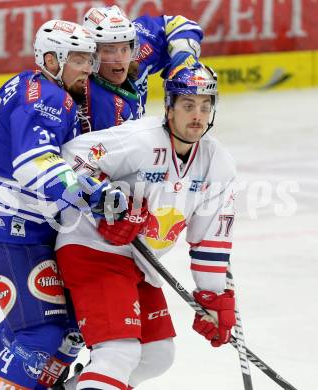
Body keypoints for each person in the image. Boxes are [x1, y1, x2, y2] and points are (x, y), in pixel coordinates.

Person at [0, 20, 126, 390]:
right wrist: (89, 193)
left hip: (14, 223)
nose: (88, 69)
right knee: (43, 334)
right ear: (51, 58)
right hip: (13, 230)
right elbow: (34, 164)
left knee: (68, 325)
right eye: (79, 60)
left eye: (89, 59)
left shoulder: (20, 82)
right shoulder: (53, 98)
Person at [55, 63, 237, 389]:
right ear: (169, 107)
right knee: (118, 353)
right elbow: (70, 157)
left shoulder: (217, 164)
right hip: (92, 250)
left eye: (205, 106)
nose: (197, 114)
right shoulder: (140, 139)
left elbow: (210, 240)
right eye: (188, 105)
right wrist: (104, 201)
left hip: (138, 263)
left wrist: (213, 296)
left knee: (157, 354)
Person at [78, 5, 204, 132]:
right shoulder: (98, 104)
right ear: (91, 53)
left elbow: (182, 24)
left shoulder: (140, 47)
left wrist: (183, 57)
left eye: (124, 49)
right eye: (110, 50)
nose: (120, 58)